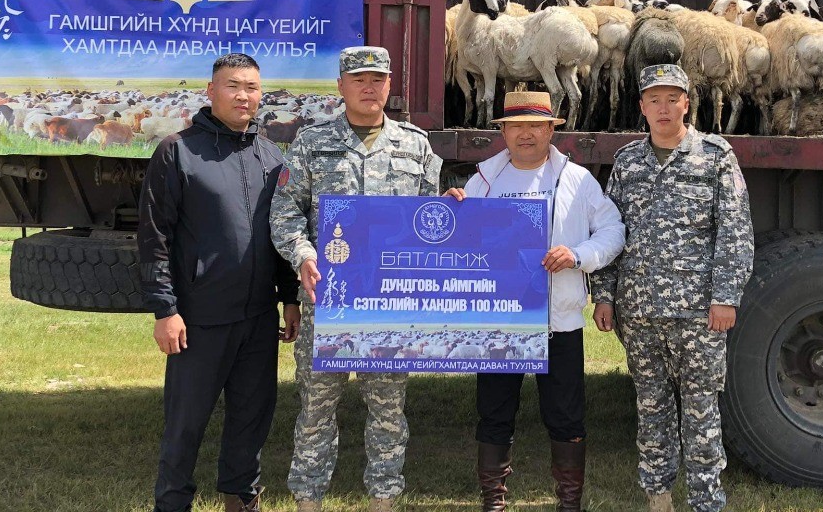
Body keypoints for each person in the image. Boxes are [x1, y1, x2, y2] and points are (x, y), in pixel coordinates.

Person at [269, 45, 442, 512]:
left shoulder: (415, 144)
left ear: (389, 86)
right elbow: (286, 213)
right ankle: (307, 502)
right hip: (328, 301)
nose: (369, 87)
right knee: (316, 410)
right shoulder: (311, 142)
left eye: (378, 79)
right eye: (359, 79)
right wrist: (304, 254)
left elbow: (431, 221)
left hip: (389, 306)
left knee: (388, 411)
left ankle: (383, 502)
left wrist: (454, 212)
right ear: (341, 86)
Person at [444, 90, 625, 512]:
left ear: (550, 130)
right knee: (494, 412)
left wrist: (578, 255)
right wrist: (455, 212)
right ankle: (494, 501)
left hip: (558, 319)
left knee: (565, 416)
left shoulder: (577, 180)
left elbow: (612, 231)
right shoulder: (483, 180)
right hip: (499, 320)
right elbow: (462, 243)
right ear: (503, 132)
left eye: (535, 125)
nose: (526, 134)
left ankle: (568, 502)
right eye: (516, 126)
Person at [138, 52, 302, 512]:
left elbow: (282, 232)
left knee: (251, 419)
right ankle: (172, 503)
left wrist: (290, 300)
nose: (243, 96)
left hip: (257, 319)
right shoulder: (177, 151)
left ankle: (241, 500)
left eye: (251, 87)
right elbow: (154, 237)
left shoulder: (270, 156)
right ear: (211, 92)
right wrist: (164, 310)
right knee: (185, 424)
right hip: (198, 319)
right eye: (233, 86)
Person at [592, 64, 754, 512]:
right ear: (642, 107)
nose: (663, 109)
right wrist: (604, 295)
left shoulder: (715, 156)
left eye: (672, 99)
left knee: (701, 414)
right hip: (639, 312)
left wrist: (725, 296)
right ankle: (658, 497)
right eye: (654, 100)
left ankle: (705, 502)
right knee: (651, 409)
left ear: (687, 103)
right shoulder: (628, 162)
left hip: (698, 313)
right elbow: (611, 233)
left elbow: (735, 231)